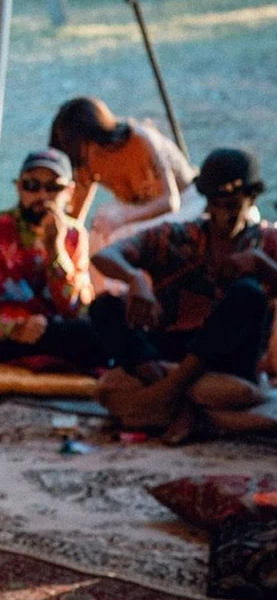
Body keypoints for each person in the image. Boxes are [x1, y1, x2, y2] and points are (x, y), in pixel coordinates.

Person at [91, 148, 277, 433]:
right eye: (216, 204)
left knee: (248, 293)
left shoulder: (267, 242)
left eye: (232, 205)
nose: (222, 215)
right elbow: (106, 256)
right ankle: (179, 402)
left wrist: (264, 267)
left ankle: (165, 397)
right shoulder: (178, 237)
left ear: (250, 200)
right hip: (172, 346)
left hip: (229, 358)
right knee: (104, 306)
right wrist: (135, 279)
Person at [0, 148, 105, 370]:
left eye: (53, 187)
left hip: (52, 333)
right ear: (18, 187)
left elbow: (76, 308)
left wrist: (57, 252)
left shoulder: (74, 235)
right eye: (32, 186)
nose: (42, 196)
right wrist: (11, 328)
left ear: (69, 192)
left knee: (103, 324)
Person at [50, 97, 195, 256]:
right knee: (100, 228)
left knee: (119, 237)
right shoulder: (85, 161)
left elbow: (170, 202)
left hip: (185, 203)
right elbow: (75, 219)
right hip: (137, 209)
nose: (86, 162)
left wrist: (121, 220)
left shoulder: (140, 139)